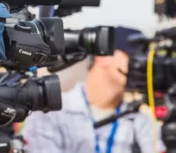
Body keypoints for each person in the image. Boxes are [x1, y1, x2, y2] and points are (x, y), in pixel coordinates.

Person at [22, 26, 164, 153]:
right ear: (103, 57)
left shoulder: (141, 121)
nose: (142, 66)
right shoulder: (51, 112)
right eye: (133, 57)